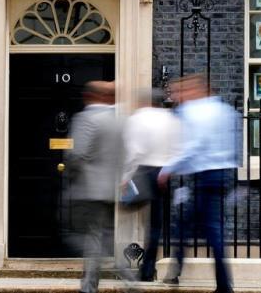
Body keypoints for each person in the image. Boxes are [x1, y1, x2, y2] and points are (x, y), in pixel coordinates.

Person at [158, 74, 237, 293]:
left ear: (194, 90)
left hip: (205, 177)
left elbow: (193, 146)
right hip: (221, 175)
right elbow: (232, 145)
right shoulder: (225, 110)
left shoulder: (195, 111)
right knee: (196, 227)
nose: (176, 97)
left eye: (179, 92)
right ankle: (179, 271)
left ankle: (182, 275)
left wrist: (168, 169)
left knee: (204, 230)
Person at [66, 81, 133, 293]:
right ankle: (105, 281)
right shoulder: (120, 121)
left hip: (88, 188)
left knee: (78, 235)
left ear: (92, 96)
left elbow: (76, 154)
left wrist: (70, 172)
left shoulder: (87, 118)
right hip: (110, 189)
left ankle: (104, 282)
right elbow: (126, 154)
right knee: (101, 237)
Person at [121, 89, 182, 281]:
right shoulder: (171, 119)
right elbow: (178, 150)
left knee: (129, 210)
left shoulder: (137, 118)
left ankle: (140, 268)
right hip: (164, 173)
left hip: (144, 171)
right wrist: (168, 171)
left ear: (145, 101)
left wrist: (125, 177)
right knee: (157, 224)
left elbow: (133, 152)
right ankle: (148, 270)